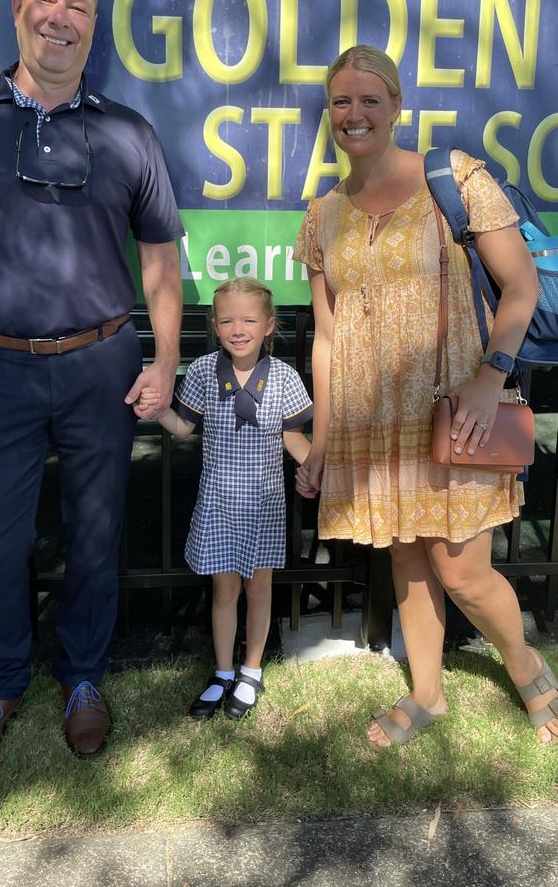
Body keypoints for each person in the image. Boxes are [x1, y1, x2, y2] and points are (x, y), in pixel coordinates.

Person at [0, 0, 184, 761]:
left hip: (102, 364)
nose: (59, 19)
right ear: (18, 5)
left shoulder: (130, 134)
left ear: (93, 26)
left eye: (77, 7)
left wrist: (165, 363)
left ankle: (85, 678)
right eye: (46, 0)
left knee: (96, 534)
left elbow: (164, 262)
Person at [293, 44, 558, 748]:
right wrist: (321, 441)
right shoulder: (322, 216)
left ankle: (528, 667)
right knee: (407, 555)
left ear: (396, 107)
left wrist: (490, 375)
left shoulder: (455, 178)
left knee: (463, 571)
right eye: (341, 101)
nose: (355, 114)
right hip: (371, 421)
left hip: (454, 409)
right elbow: (327, 336)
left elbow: (522, 286)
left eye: (369, 100)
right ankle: (429, 695)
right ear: (330, 112)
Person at [140, 278, 312, 719]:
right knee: (223, 589)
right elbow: (183, 428)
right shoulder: (201, 372)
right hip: (217, 502)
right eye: (228, 320)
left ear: (269, 325)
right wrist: (158, 411)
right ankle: (222, 670)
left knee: (259, 588)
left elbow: (293, 437)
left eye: (250, 319)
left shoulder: (286, 378)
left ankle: (251, 670)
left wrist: (317, 467)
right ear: (215, 326)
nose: (239, 328)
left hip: (266, 504)